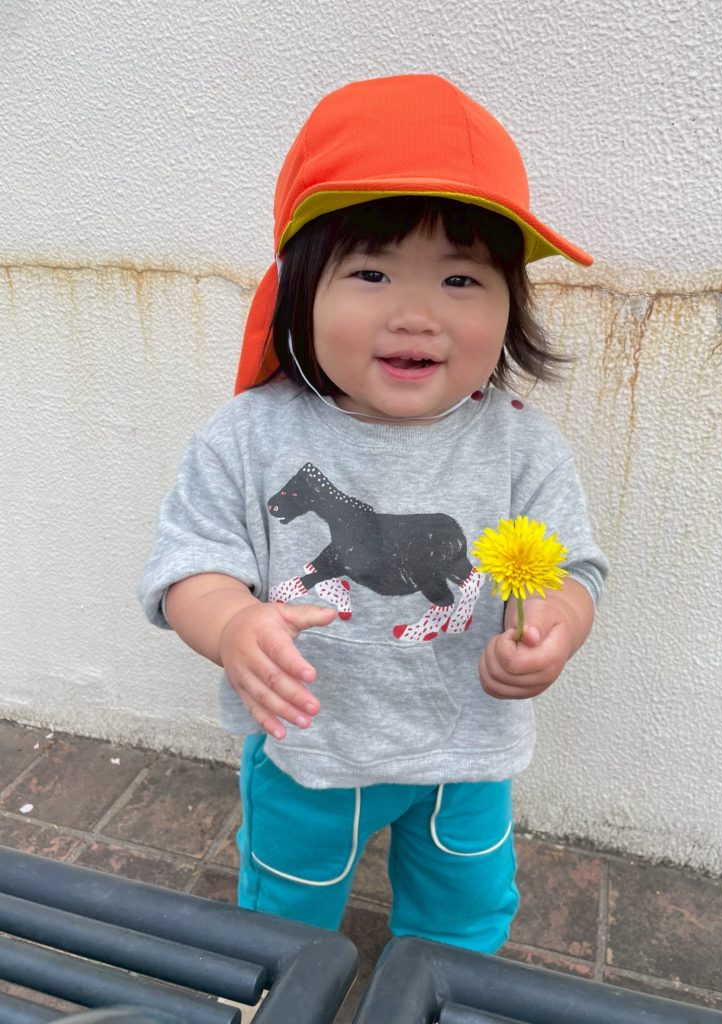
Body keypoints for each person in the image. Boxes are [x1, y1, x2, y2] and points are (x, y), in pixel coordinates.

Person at [139, 74, 608, 953]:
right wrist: (232, 623)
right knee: (283, 918)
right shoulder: (249, 436)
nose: (416, 313)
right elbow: (189, 565)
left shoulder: (521, 446)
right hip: (308, 748)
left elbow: (572, 568)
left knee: (462, 919)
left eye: (461, 277)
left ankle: (442, 997)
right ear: (299, 288)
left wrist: (555, 623)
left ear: (511, 304)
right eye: (371, 271)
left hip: (466, 752)